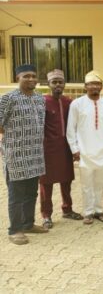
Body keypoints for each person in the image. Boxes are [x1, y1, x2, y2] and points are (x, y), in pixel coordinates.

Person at [0, 64, 47, 245]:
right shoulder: (8, 98)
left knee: (32, 193)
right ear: (17, 78)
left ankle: (28, 224)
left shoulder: (39, 99)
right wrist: (11, 140)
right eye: (26, 76)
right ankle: (15, 229)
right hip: (16, 156)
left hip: (35, 154)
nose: (31, 79)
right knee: (16, 194)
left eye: (34, 76)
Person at [67, 70, 103, 225]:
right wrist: (75, 149)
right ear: (85, 86)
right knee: (87, 184)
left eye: (97, 84)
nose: (94, 87)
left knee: (101, 183)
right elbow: (70, 129)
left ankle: (99, 210)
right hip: (84, 151)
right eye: (91, 84)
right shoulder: (77, 104)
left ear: (101, 86)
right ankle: (88, 212)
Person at [39, 69, 81, 229]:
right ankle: (46, 215)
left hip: (65, 148)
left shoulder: (69, 102)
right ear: (48, 84)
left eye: (60, 82)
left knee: (66, 181)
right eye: (54, 82)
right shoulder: (42, 102)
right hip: (47, 149)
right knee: (45, 184)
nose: (57, 85)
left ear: (64, 84)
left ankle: (67, 209)